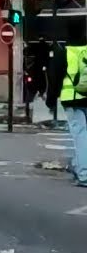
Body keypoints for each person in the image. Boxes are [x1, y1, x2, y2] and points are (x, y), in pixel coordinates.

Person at [50, 37, 87, 186]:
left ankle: (83, 174)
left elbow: (55, 78)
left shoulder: (66, 52)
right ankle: (78, 166)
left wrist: (51, 99)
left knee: (80, 136)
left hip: (72, 98)